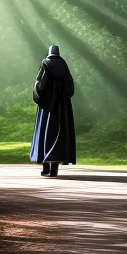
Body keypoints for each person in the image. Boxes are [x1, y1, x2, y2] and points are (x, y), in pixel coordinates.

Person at [29, 44, 76, 177]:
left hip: (47, 106)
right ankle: (54, 169)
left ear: (49, 53)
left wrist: (39, 94)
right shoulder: (65, 66)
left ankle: (46, 169)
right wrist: (63, 99)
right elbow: (70, 88)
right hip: (62, 108)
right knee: (58, 135)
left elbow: (41, 85)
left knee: (45, 133)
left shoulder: (45, 64)